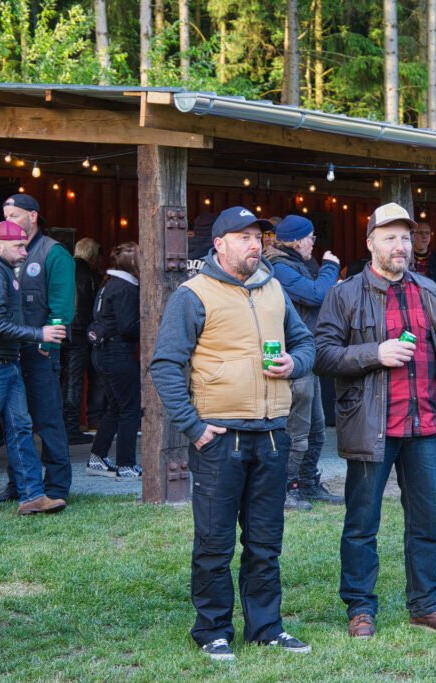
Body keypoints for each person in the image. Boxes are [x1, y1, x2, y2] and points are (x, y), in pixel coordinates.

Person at [150, 206, 315, 661]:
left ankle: (266, 627)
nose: (253, 243)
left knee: (265, 542)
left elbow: (305, 343)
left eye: (258, 236)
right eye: (242, 236)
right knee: (215, 543)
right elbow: (165, 365)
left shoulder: (274, 287)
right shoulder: (192, 294)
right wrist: (194, 426)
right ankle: (212, 630)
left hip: (272, 435)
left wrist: (294, 363)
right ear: (219, 244)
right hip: (220, 438)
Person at [314, 202, 436, 640]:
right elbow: (322, 355)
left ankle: (426, 606)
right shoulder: (344, 293)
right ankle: (360, 608)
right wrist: (375, 353)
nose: (400, 245)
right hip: (372, 426)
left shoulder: (427, 289)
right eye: (390, 237)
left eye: (405, 237)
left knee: (426, 521)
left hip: (424, 425)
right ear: (370, 244)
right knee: (362, 522)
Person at [0, 221, 66, 516]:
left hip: (2, 362)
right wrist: (39, 334)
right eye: (18, 246)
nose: (24, 250)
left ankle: (32, 496)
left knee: (20, 429)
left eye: (25, 244)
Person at [0, 194, 74, 505]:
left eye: (13, 215)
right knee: (16, 421)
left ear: (33, 216)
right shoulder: (7, 253)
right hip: (11, 349)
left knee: (48, 419)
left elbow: (63, 307)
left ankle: (57, 486)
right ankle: (19, 484)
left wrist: (46, 345)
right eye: (5, 215)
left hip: (40, 350)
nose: (7, 221)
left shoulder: (54, 253)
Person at [263, 214, 344, 508]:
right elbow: (314, 295)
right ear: (297, 241)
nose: (313, 243)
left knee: (317, 428)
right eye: (310, 238)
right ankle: (286, 488)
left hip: (307, 353)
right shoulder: (279, 267)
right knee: (296, 430)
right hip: (292, 354)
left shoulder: (295, 264)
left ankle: (308, 482)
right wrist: (331, 267)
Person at [85, 243, 142, 479]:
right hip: (118, 354)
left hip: (103, 353)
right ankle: (126, 464)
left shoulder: (109, 283)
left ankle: (97, 458)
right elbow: (128, 327)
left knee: (116, 407)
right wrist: (152, 325)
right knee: (130, 409)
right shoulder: (126, 287)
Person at [64, 237, 103, 445]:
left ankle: (65, 425)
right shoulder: (93, 277)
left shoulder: (64, 271)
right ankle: (74, 427)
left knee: (66, 379)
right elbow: (99, 311)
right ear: (93, 255)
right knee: (77, 381)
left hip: (62, 330)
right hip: (82, 333)